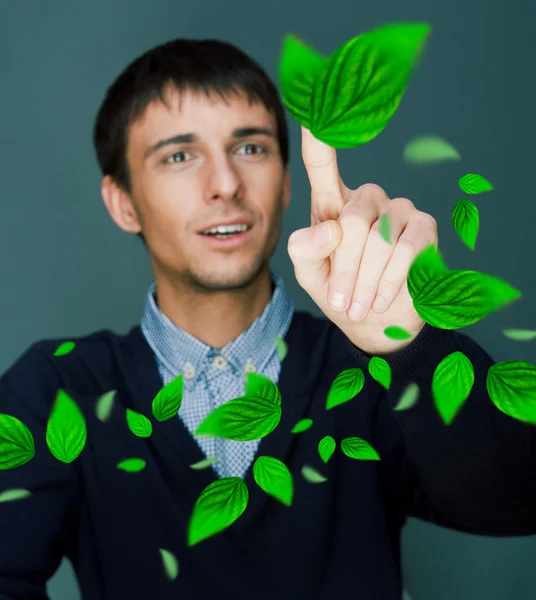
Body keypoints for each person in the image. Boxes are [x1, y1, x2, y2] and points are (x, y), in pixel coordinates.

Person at [1, 37, 535, 600]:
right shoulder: (56, 390)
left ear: (285, 182)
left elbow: (517, 499)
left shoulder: (365, 372)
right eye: (179, 156)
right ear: (123, 203)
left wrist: (408, 346)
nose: (226, 185)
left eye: (251, 148)